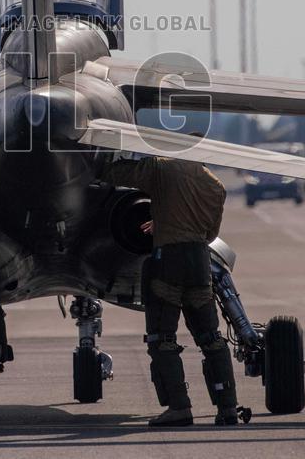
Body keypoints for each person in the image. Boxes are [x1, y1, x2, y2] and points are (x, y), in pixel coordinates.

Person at [103, 153, 242, 427]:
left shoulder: (162, 168)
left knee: (162, 338)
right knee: (211, 338)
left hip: (169, 262)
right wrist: (170, 220)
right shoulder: (215, 185)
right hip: (199, 264)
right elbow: (210, 233)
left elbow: (114, 174)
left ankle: (179, 408)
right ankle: (227, 408)